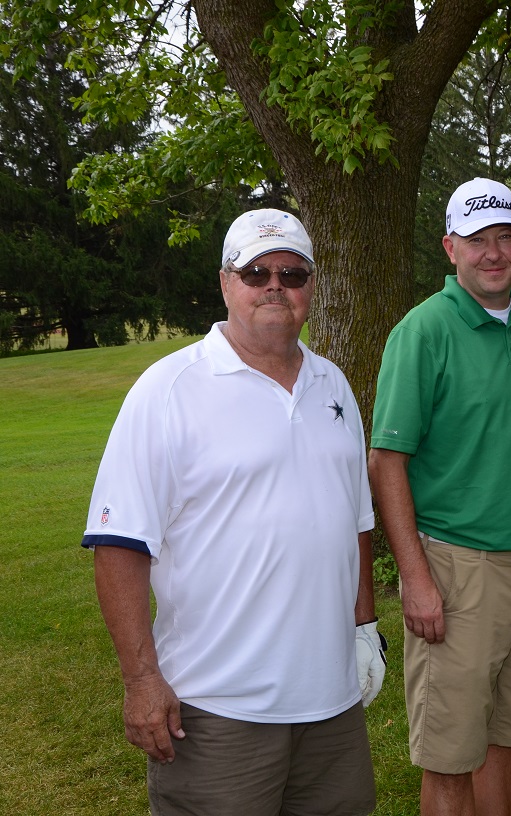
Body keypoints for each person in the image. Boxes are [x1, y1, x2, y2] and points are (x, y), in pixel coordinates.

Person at [82, 208, 386, 816]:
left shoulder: (334, 386)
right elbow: (120, 545)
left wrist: (364, 629)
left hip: (330, 707)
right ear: (226, 284)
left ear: (311, 288)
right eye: (256, 272)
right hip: (217, 709)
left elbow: (354, 524)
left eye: (292, 274)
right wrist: (142, 682)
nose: (275, 285)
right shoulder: (169, 390)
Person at [367, 178, 511, 816]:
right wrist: (416, 578)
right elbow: (386, 461)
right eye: (477, 239)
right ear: (450, 247)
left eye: (505, 237)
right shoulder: (423, 331)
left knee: (507, 739)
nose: (493, 252)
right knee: (450, 756)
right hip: (457, 571)